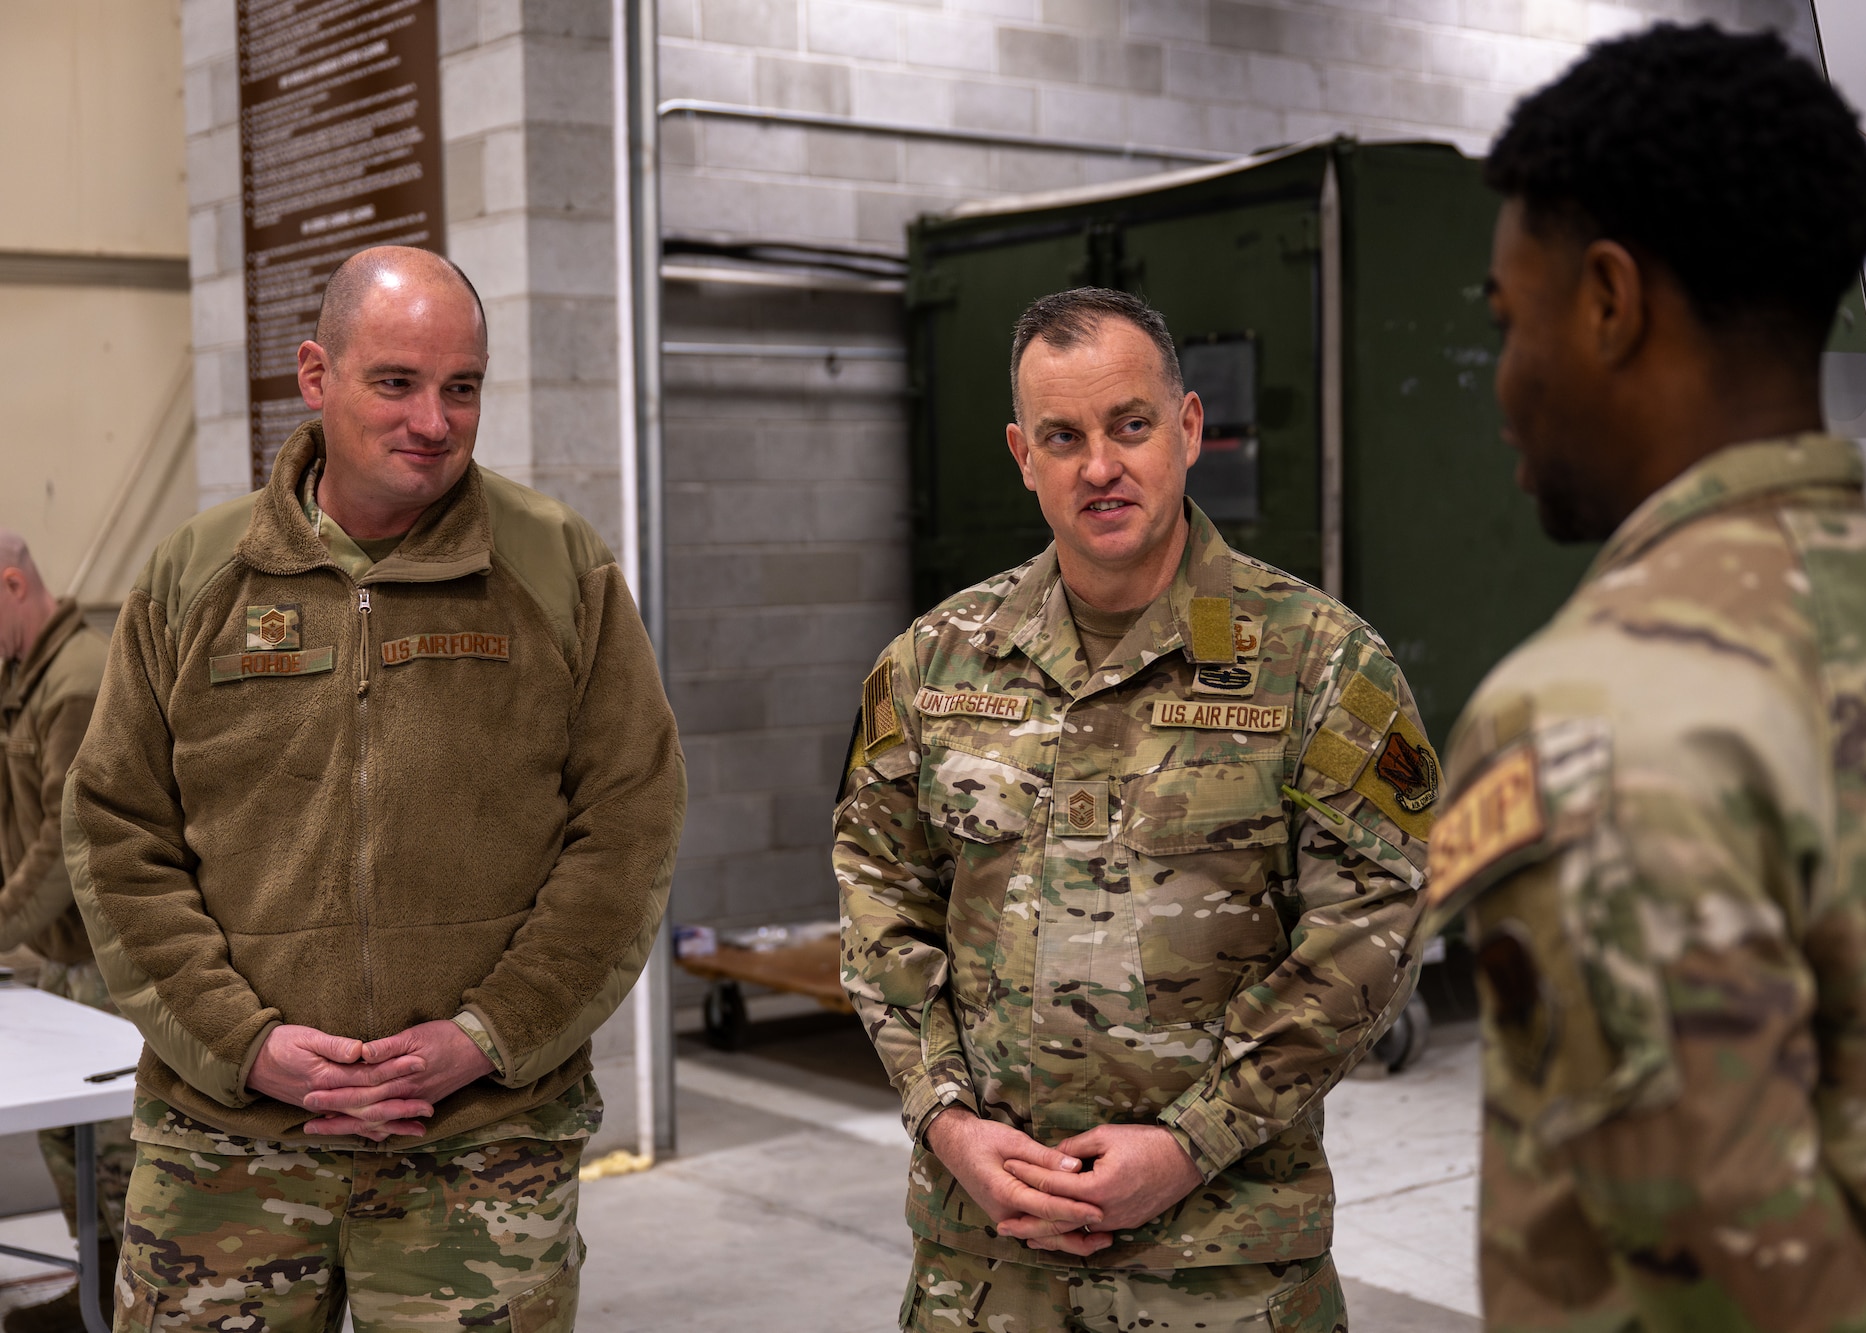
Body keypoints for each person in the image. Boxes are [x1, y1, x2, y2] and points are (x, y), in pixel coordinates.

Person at [1420, 23, 1866, 1331]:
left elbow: (1729, 1266)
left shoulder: (1585, 714)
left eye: (1513, 320)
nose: (1504, 384)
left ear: (1611, 302)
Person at [62, 245, 685, 1332]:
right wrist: (244, 1042)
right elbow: (118, 834)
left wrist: (488, 1034)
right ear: (316, 375)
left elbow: (627, 827)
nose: (433, 421)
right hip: (228, 1147)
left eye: (463, 387)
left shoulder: (555, 568)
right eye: (395, 381)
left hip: (480, 1146)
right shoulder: (195, 576)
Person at [835, 286, 1440, 1331]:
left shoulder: (1317, 661)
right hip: (986, 1262)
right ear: (1022, 454)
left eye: (1130, 425)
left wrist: (1191, 1141)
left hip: (1226, 1268)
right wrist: (945, 1123)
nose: (1099, 466)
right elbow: (879, 903)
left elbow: (1373, 930)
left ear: (1188, 427)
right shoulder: (934, 663)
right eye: (1062, 437)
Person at [0, 533, 130, 1333]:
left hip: (102, 962)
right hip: (57, 955)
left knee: (117, 1156)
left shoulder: (76, 681)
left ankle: (133, 1304)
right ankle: (96, 1292)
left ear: (13, 584)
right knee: (66, 1148)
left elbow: (64, 835)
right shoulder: (26, 675)